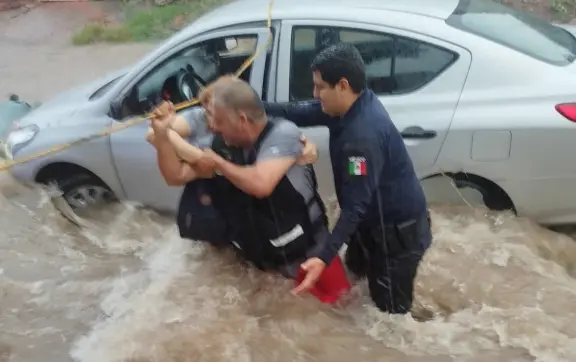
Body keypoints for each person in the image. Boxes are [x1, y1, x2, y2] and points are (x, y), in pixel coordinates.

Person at [264, 43, 432, 314]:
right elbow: (301, 110)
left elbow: (355, 207)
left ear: (342, 85)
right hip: (370, 229)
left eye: (320, 87)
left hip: (396, 241)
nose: (315, 94)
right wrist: (253, 107)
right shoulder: (353, 104)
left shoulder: (361, 139)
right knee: (354, 283)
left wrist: (322, 257)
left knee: (390, 318)